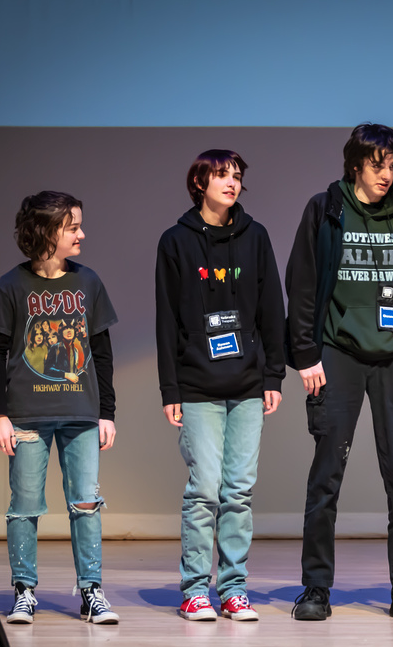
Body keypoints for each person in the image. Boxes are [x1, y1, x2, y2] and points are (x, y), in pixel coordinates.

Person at [286, 123, 393, 622]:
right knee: (326, 476)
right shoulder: (325, 208)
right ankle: (315, 588)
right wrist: (305, 355)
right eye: (378, 166)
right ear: (355, 165)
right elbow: (302, 286)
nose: (386, 175)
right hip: (337, 354)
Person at [155, 149, 286, 622]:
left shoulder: (256, 237)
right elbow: (166, 320)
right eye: (221, 175)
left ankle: (233, 589)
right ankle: (194, 590)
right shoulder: (175, 241)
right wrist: (169, 389)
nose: (231, 183)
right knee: (204, 490)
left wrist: (274, 374)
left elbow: (273, 308)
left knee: (238, 491)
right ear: (199, 182)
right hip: (196, 385)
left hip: (249, 382)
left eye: (237, 176)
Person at [0, 191, 119, 625]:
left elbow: (101, 351)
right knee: (24, 505)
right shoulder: (10, 285)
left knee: (86, 503)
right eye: (72, 226)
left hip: (81, 412)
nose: (81, 233)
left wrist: (107, 411)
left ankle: (91, 591)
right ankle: (24, 590)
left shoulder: (89, 282)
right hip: (25, 415)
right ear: (46, 231)